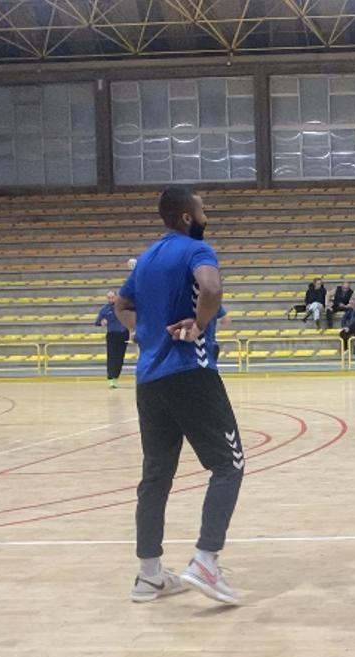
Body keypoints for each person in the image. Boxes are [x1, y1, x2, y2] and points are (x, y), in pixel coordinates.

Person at [115, 186, 245, 606]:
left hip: (149, 381)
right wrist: (200, 324)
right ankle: (206, 560)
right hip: (191, 373)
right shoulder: (195, 250)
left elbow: (121, 303)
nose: (206, 214)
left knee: (155, 477)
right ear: (188, 217)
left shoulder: (148, 256)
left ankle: (149, 576)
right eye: (203, 209)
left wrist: (139, 332)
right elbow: (211, 288)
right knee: (228, 465)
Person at [95, 290, 132, 388]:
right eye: (108, 297)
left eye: (112, 297)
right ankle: (111, 378)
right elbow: (97, 321)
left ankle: (116, 376)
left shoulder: (123, 308)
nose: (110, 299)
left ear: (116, 297)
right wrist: (101, 322)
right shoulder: (105, 309)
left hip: (123, 334)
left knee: (120, 357)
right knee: (111, 356)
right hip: (112, 334)